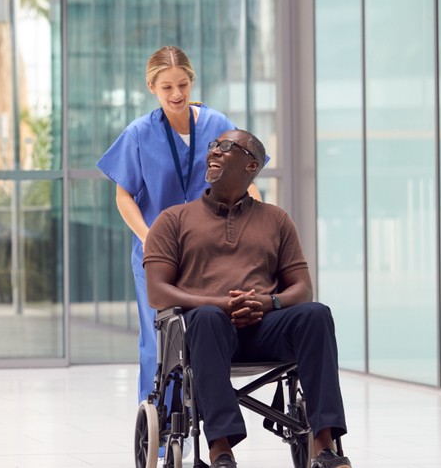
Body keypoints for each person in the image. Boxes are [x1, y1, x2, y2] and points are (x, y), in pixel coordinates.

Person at [143, 129, 352, 468]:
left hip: (263, 327)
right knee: (208, 318)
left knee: (316, 313)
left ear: (251, 164)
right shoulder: (173, 220)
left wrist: (268, 303)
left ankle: (324, 446)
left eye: (226, 147)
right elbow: (157, 291)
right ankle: (220, 450)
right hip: (204, 331)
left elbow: (302, 287)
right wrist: (219, 304)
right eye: (213, 146)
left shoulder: (276, 220)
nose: (214, 151)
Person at [97, 46, 259, 404]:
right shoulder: (139, 133)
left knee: (209, 333)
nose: (177, 94)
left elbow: (246, 182)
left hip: (214, 252)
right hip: (159, 256)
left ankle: (208, 417)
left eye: (183, 84)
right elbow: (124, 198)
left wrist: (263, 231)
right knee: (160, 343)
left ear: (192, 82)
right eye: (167, 86)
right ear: (152, 87)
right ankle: (162, 430)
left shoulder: (218, 126)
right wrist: (149, 238)